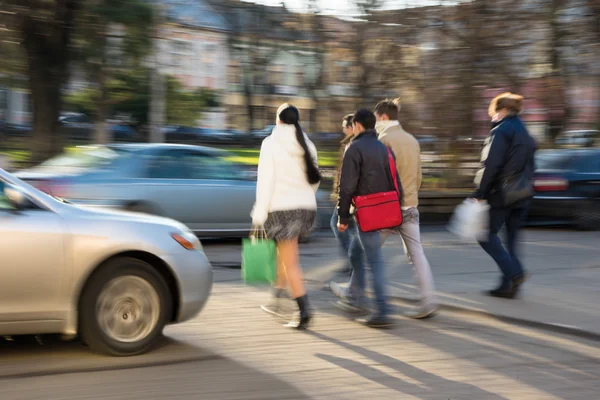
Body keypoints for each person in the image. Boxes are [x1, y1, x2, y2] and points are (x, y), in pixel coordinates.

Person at [251, 103, 321, 329]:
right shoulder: (307, 143)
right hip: (306, 208)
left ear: (278, 120)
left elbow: (265, 182)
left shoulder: (270, 144)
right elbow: (315, 177)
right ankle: (276, 298)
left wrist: (259, 215)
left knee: (290, 260)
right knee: (284, 253)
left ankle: (304, 311)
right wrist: (306, 197)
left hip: (283, 209)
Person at [337, 108, 402, 328]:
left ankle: (383, 311)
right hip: (382, 210)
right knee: (356, 251)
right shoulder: (384, 148)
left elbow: (346, 187)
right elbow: (395, 182)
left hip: (366, 213)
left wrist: (342, 217)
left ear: (356, 125)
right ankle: (356, 295)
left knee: (375, 261)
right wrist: (395, 213)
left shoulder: (353, 148)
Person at [374, 99, 438, 319]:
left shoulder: (384, 139)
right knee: (417, 255)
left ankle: (354, 292)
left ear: (382, 117)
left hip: (388, 208)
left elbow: (381, 175)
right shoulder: (412, 140)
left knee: (367, 250)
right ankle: (428, 301)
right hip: (410, 206)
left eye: (376, 119)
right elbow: (418, 176)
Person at [473, 92, 536, 298]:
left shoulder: (501, 131)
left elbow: (492, 165)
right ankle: (507, 287)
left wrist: (481, 192)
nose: (493, 117)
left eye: (494, 112)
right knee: (511, 241)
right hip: (523, 193)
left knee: (485, 235)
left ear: (503, 110)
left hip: (503, 193)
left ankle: (514, 274)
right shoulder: (525, 132)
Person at [330, 114, 363, 277]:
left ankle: (354, 261)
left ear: (352, 127)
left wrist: (342, 195)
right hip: (347, 196)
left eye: (345, 126)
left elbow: (348, 174)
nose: (343, 129)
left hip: (351, 197)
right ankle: (354, 261)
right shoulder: (347, 144)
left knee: (340, 226)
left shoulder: (353, 145)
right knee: (352, 231)